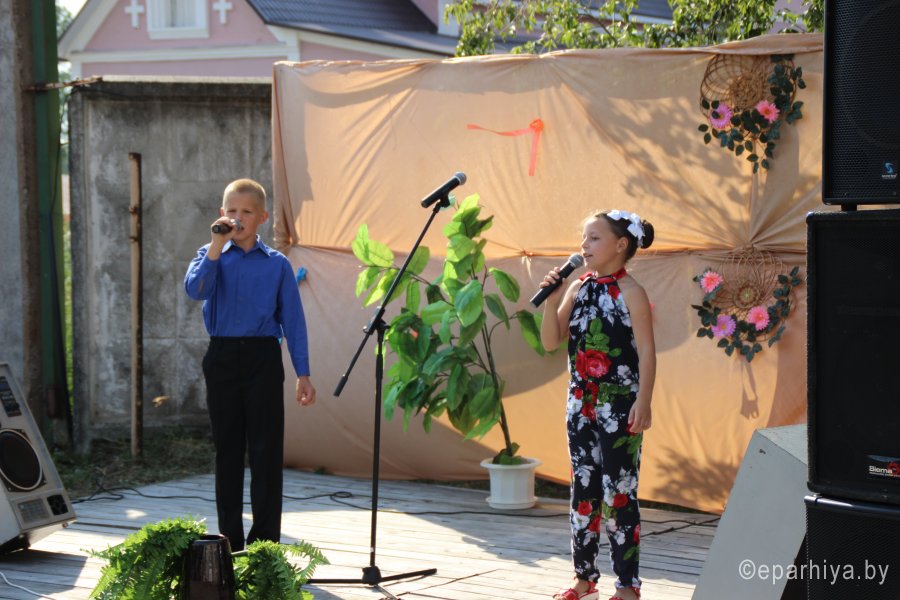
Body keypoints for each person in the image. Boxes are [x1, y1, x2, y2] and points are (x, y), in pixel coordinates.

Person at [184, 178, 317, 552]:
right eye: (231, 210)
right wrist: (216, 246)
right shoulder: (209, 254)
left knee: (265, 451)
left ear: (262, 217)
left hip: (263, 358)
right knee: (227, 450)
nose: (238, 218)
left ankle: (264, 545)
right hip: (222, 356)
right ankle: (229, 542)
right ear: (221, 214)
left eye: (246, 212)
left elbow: (293, 320)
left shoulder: (276, 264)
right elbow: (195, 290)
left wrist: (303, 373)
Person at [539, 210, 656, 600]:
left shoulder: (632, 292)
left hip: (619, 407)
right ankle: (584, 578)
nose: (584, 245)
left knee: (619, 492)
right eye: (583, 238)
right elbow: (550, 341)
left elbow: (647, 352)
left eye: (593, 238)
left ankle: (627, 586)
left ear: (620, 245)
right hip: (579, 405)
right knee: (583, 490)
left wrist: (644, 400)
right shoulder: (578, 286)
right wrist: (551, 300)